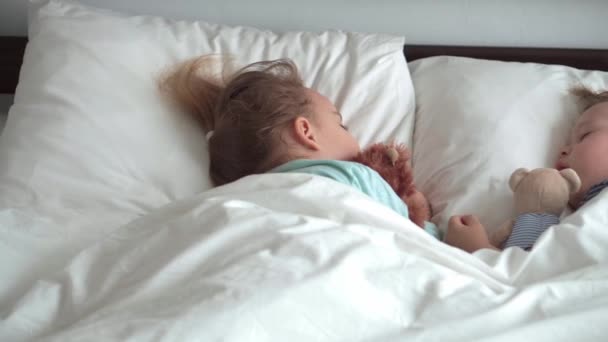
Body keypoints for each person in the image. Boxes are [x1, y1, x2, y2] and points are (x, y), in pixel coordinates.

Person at [162, 57, 440, 238]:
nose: (354, 139)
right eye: (340, 125)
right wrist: (471, 245)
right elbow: (417, 245)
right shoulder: (356, 177)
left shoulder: (228, 200)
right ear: (306, 132)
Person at [445, 87, 608, 252]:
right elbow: (545, 270)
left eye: (585, 135)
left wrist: (477, 250)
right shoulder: (581, 223)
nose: (563, 150)